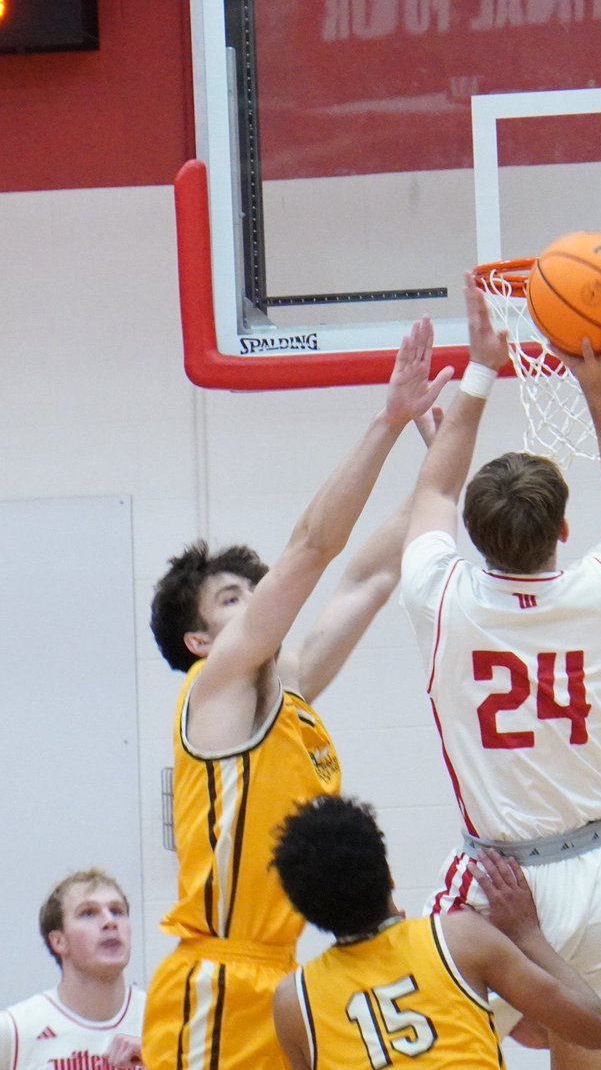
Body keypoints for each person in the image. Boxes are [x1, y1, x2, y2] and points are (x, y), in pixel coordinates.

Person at [141, 319, 452, 1070]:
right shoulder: (212, 689)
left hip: (280, 976)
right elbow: (314, 548)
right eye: (230, 599)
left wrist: (447, 462)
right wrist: (388, 420)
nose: (254, 601)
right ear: (200, 641)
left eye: (255, 590)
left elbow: (374, 576)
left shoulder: (294, 686)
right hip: (213, 975)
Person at [399, 275, 601, 1069]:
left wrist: (481, 368)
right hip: (599, 875)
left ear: (470, 537)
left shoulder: (441, 597)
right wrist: (598, 382)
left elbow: (435, 487)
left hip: (497, 880)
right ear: (566, 529)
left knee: (424, 1050)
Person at [270, 795, 601, 1068]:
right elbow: (597, 1028)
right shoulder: (460, 939)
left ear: (305, 912)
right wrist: (527, 935)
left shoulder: (292, 1001)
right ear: (388, 874)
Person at [0, 869, 145, 1070]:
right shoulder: (14, 1030)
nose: (110, 921)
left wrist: (163, 1060)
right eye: (88, 913)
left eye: (117, 911)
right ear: (59, 941)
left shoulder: (168, 1021)